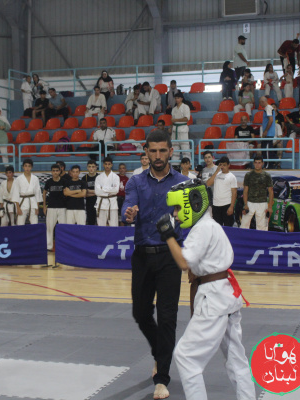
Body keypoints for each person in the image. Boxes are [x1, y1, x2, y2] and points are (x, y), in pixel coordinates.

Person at [156, 180, 255, 400]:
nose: (175, 214)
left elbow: (184, 262)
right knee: (236, 360)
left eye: (178, 208)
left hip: (214, 299)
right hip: (225, 295)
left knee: (186, 357)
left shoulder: (202, 229)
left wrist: (168, 235)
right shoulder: (210, 225)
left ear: (194, 203)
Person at [121, 130, 189, 400]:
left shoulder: (183, 183)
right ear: (146, 152)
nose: (158, 155)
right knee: (140, 313)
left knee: (168, 317)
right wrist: (129, 214)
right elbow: (128, 208)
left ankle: (162, 378)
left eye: (162, 150)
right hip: (142, 256)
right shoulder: (136, 182)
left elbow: (190, 222)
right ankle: (160, 353)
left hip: (171, 257)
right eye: (153, 151)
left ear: (171, 151)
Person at [240, 155, 273, 230]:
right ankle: (242, 238)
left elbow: (271, 191)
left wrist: (270, 207)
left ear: (262, 163)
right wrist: (245, 204)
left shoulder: (267, 176)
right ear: (253, 163)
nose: (257, 164)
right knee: (244, 225)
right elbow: (245, 190)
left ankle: (262, 238)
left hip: (262, 203)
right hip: (250, 202)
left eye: (259, 163)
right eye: (256, 163)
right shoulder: (248, 175)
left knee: (262, 227)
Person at [206, 156, 237, 227]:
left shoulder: (232, 177)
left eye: (224, 165)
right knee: (217, 227)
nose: (222, 167)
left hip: (226, 204)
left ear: (228, 165)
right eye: (221, 165)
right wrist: (217, 171)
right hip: (216, 205)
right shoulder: (216, 175)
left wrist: (231, 207)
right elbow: (208, 184)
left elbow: (234, 193)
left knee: (228, 227)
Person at [11, 158, 43, 225]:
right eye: (25, 166)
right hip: (22, 202)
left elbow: (38, 193)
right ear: (23, 167)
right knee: (20, 224)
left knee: (35, 223)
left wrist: (37, 207)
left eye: (29, 166)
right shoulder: (19, 179)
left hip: (33, 202)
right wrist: (18, 208)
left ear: (31, 167)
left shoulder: (35, 178)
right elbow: (16, 193)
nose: (27, 168)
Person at [43, 164, 66, 251]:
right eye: (53, 171)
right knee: (49, 227)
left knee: (63, 227)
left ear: (60, 171)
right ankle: (49, 246)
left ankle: (63, 246)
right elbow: (44, 193)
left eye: (57, 171)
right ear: (51, 172)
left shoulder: (64, 181)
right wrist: (44, 206)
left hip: (62, 207)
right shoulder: (49, 182)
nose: (55, 172)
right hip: (51, 207)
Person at [95, 157, 120, 227]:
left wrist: (103, 188)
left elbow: (116, 190)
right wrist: (110, 190)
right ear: (103, 165)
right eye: (105, 164)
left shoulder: (115, 177)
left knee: (114, 225)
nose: (107, 166)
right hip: (101, 204)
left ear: (111, 165)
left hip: (112, 204)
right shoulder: (99, 177)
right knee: (101, 226)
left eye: (109, 164)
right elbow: (97, 192)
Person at [170, 91, 191, 161]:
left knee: (185, 147)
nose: (176, 99)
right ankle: (175, 164)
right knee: (174, 148)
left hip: (183, 129)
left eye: (178, 98)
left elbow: (186, 118)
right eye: (175, 98)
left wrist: (176, 120)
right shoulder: (174, 109)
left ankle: (187, 163)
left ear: (181, 98)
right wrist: (171, 128)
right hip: (174, 130)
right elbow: (172, 120)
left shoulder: (185, 107)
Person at [259, 96, 275, 167]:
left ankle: (268, 165)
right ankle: (269, 164)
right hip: (267, 133)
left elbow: (270, 120)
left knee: (267, 150)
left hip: (268, 133)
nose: (260, 104)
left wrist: (265, 131)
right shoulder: (267, 108)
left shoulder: (268, 108)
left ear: (262, 102)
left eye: (260, 103)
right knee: (264, 150)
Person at [83, 160, 99, 225]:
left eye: (93, 167)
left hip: (99, 202)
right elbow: (84, 192)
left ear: (96, 167)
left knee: (100, 221)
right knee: (90, 221)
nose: (91, 168)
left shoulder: (99, 177)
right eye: (89, 167)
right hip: (89, 203)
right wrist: (96, 192)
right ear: (87, 167)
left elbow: (102, 191)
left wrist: (89, 191)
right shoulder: (84, 178)